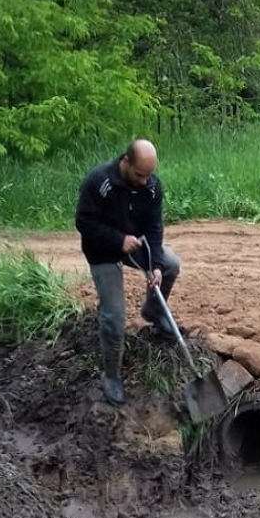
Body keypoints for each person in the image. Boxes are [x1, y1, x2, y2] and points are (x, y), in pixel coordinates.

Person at [75, 139, 181, 405]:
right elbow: (84, 222)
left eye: (149, 175)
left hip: (135, 245)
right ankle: (111, 376)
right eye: (139, 174)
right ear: (126, 161)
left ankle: (154, 311)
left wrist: (154, 263)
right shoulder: (99, 182)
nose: (145, 181)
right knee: (114, 316)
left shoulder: (152, 186)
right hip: (103, 250)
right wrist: (118, 240)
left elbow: (154, 227)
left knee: (170, 265)